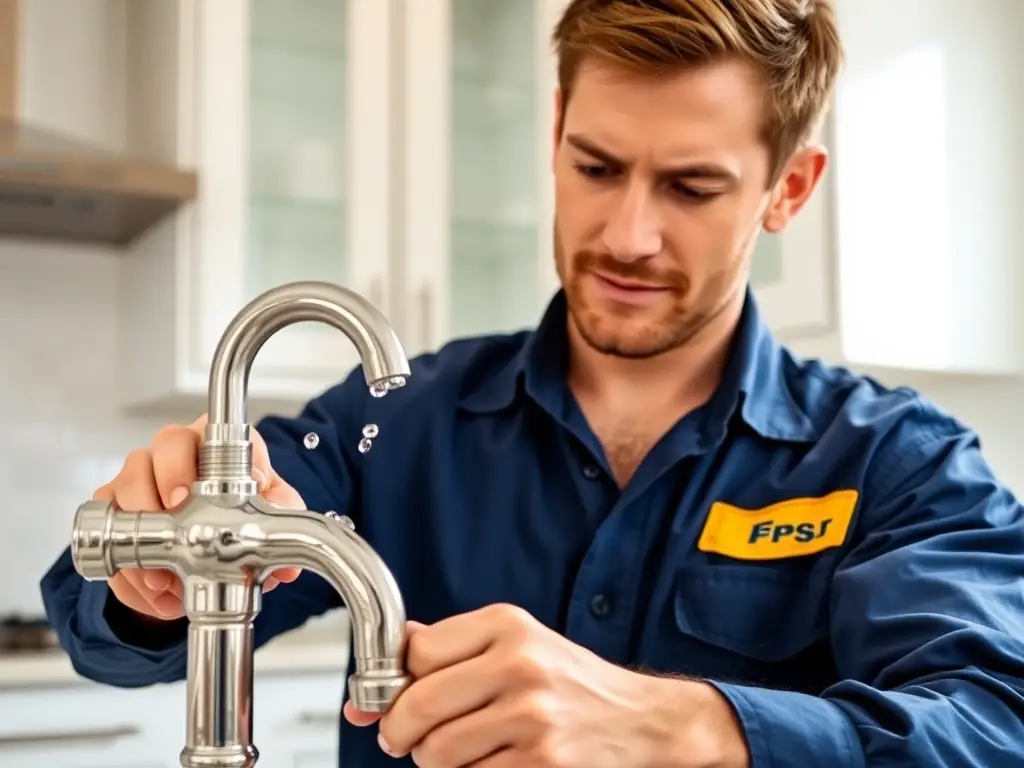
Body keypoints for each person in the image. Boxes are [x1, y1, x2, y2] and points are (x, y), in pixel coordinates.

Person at [39, 0, 1024, 766]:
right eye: (596, 167)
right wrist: (156, 571)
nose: (628, 236)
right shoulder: (398, 421)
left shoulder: (895, 464)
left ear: (787, 189)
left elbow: (993, 721)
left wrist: (681, 727)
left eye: (690, 187)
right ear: (555, 130)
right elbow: (102, 631)